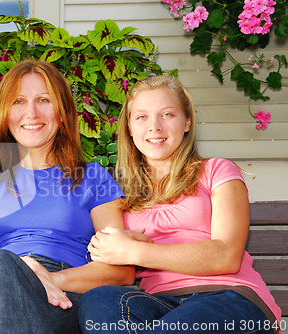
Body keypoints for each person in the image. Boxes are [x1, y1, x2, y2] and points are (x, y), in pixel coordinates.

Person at [0, 59, 144, 334]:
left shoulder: (91, 178)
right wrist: (13, 273)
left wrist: (45, 278)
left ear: (62, 111)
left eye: (43, 100)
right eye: (19, 102)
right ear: (4, 112)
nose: (31, 113)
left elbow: (121, 271)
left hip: (60, 295)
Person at [78, 75, 282, 334]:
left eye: (167, 115)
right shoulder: (120, 195)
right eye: (141, 117)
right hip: (157, 303)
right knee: (101, 301)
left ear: (187, 122)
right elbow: (107, 254)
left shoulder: (216, 171)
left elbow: (226, 256)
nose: (154, 127)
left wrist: (134, 251)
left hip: (229, 297)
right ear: (129, 128)